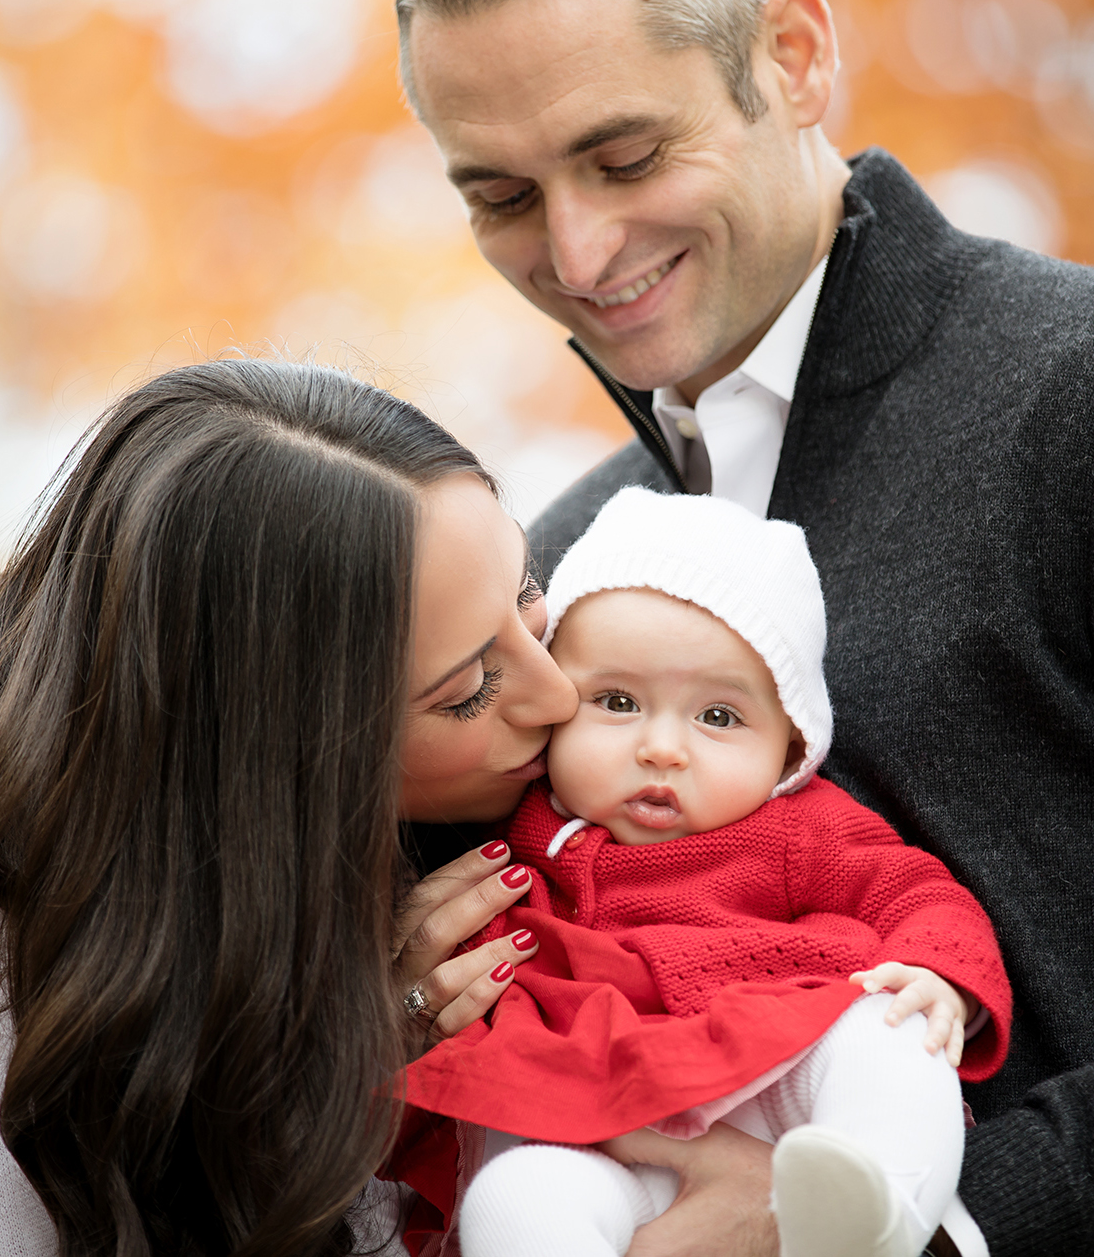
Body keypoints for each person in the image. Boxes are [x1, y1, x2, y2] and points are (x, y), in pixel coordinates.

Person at [392, 0, 1094, 1255]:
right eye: (500, 195)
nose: (577, 254)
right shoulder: (548, 568)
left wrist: (948, 1224)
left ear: (790, 57)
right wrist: (411, 992)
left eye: (623, 155)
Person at [0, 361, 571, 1257]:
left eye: (525, 589)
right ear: (273, 746)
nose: (558, 693)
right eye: (468, 688)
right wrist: (352, 1089)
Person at [398, 488, 1012, 1257]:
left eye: (717, 716)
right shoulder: (515, 837)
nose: (662, 746)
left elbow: (915, 891)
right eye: (617, 701)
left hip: (788, 1075)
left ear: (790, 746)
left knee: (889, 1030)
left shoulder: (800, 825)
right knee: (513, 1198)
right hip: (610, 1127)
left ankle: (876, 1208)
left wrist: (938, 971)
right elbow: (447, 1016)